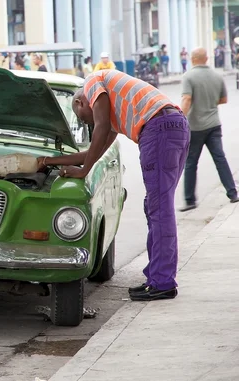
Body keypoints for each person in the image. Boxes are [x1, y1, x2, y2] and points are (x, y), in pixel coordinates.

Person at [35, 70, 190, 301]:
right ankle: (157, 278)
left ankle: (163, 282)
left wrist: (84, 171)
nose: (88, 122)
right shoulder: (114, 114)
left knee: (159, 210)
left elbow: (99, 128)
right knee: (157, 207)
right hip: (174, 126)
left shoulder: (92, 82)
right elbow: (92, 153)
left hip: (159, 129)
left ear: (80, 102)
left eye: (83, 118)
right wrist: (48, 161)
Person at [179, 47, 238, 212]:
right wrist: (208, 104)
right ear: (206, 59)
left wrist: (179, 118)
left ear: (192, 59)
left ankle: (190, 200)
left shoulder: (188, 76)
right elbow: (224, 99)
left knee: (191, 162)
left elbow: (186, 99)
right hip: (214, 125)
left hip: (195, 127)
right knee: (220, 158)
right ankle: (232, 193)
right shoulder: (217, 76)